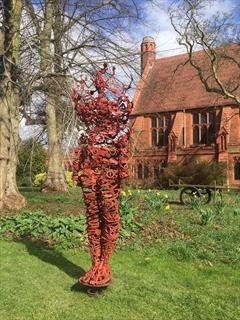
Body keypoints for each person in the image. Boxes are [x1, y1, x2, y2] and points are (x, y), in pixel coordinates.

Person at [71, 64, 133, 286]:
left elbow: (121, 147)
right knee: (93, 218)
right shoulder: (87, 109)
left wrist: (120, 169)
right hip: (90, 171)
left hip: (108, 172)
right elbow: (83, 146)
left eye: (101, 80)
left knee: (109, 216)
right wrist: (78, 171)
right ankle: (95, 263)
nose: (99, 83)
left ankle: (104, 264)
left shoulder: (115, 108)